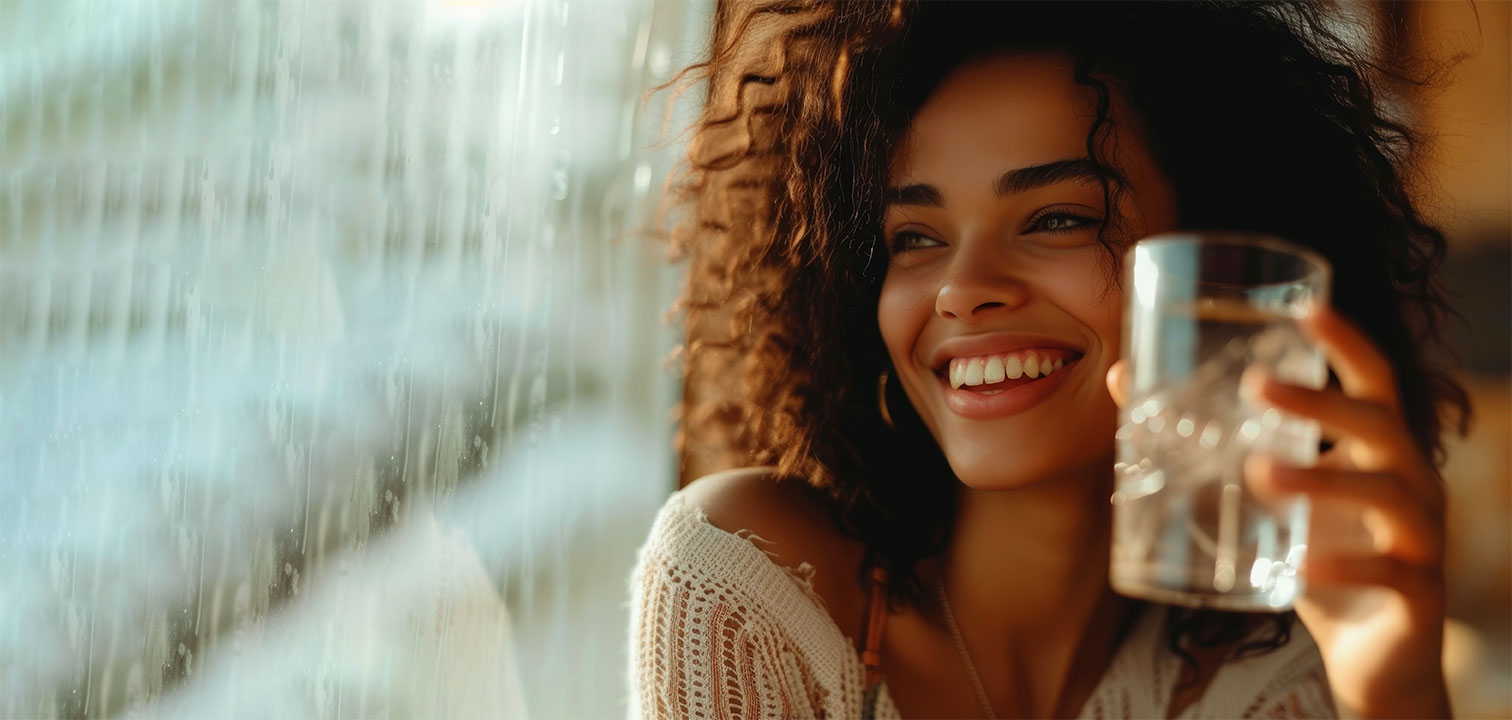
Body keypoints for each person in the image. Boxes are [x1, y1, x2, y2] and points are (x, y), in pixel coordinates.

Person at [629, 2, 1469, 718]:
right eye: (915, 238)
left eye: (1058, 218)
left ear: (1223, 274)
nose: (962, 289)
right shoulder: (750, 577)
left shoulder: (1277, 665)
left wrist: (1396, 695)